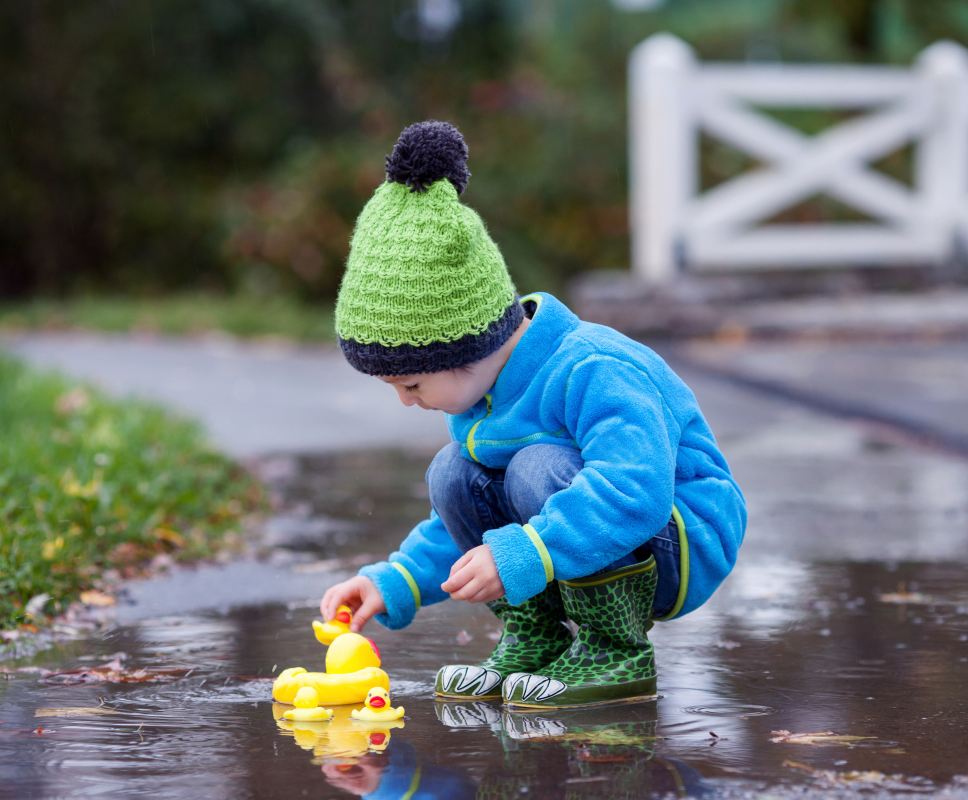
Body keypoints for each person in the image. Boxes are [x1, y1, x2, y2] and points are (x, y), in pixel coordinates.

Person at [320, 120, 746, 709]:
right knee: (455, 473)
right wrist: (394, 582)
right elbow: (465, 524)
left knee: (534, 467)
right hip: (585, 532)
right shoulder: (482, 396)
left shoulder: (592, 367)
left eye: (411, 383)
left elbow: (637, 487)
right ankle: (538, 637)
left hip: (679, 537)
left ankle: (616, 648)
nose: (404, 400)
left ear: (462, 349)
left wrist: (525, 552)